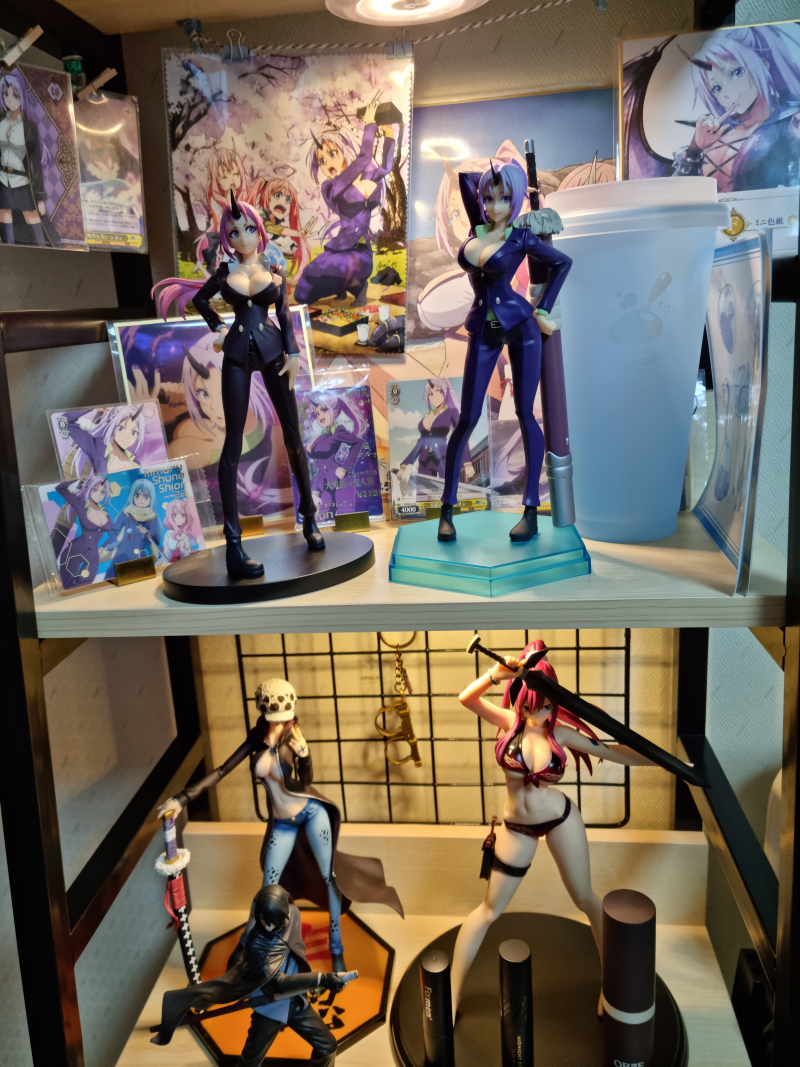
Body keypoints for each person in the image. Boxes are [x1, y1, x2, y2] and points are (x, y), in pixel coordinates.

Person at [449, 640, 664, 1018]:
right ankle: (449, 995)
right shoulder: (507, 724)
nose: (537, 714)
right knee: (488, 910)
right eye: (529, 706)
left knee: (586, 899)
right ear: (519, 699)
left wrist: (663, 761)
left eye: (546, 706)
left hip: (561, 819)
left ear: (554, 702)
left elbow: (613, 752)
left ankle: (613, 990)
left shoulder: (560, 735)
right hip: (516, 829)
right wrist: (495, 674)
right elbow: (466, 699)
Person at [158, 678, 403, 973]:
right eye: (277, 716)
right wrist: (182, 799)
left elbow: (306, 780)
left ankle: (336, 947)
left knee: (330, 878)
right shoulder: (256, 738)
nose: (283, 721)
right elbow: (221, 771)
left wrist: (305, 756)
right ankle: (245, 944)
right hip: (283, 825)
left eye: (286, 715)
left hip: (311, 813)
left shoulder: (293, 733)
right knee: (268, 889)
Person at [152, 190, 324, 579]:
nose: (243, 237)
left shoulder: (274, 268)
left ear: (258, 230)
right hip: (235, 357)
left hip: (275, 354)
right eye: (234, 232)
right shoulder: (224, 272)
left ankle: (310, 518)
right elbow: (201, 301)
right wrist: (217, 327)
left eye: (248, 229)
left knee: (293, 436)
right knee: (231, 446)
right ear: (226, 237)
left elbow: (285, 314)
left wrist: (294, 353)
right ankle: (233, 545)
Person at [437, 159, 571, 545]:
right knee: (467, 417)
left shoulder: (521, 237)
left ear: (515, 203)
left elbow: (562, 263)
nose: (494, 205)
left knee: (526, 413)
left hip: (520, 327)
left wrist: (544, 308)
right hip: (483, 329)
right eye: (488, 198)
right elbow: (466, 183)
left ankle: (530, 511)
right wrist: (486, 180)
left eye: (504, 198)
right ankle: (446, 510)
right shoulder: (475, 232)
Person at [151, 884, 347, 1066]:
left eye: (274, 923)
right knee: (250, 1061)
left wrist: (314, 981)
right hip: (269, 1007)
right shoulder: (256, 943)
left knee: (328, 1047)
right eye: (264, 920)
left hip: (296, 1001)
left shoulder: (293, 914)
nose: (268, 927)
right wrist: (320, 979)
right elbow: (278, 983)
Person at [294, 102, 395, 307]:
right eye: (322, 161)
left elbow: (385, 167)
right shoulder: (331, 187)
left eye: (332, 154)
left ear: (343, 151)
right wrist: (370, 123)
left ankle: (356, 287)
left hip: (360, 253)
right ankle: (342, 287)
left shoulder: (368, 179)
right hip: (338, 250)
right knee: (302, 293)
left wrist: (389, 135)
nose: (328, 163)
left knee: (348, 266)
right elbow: (364, 157)